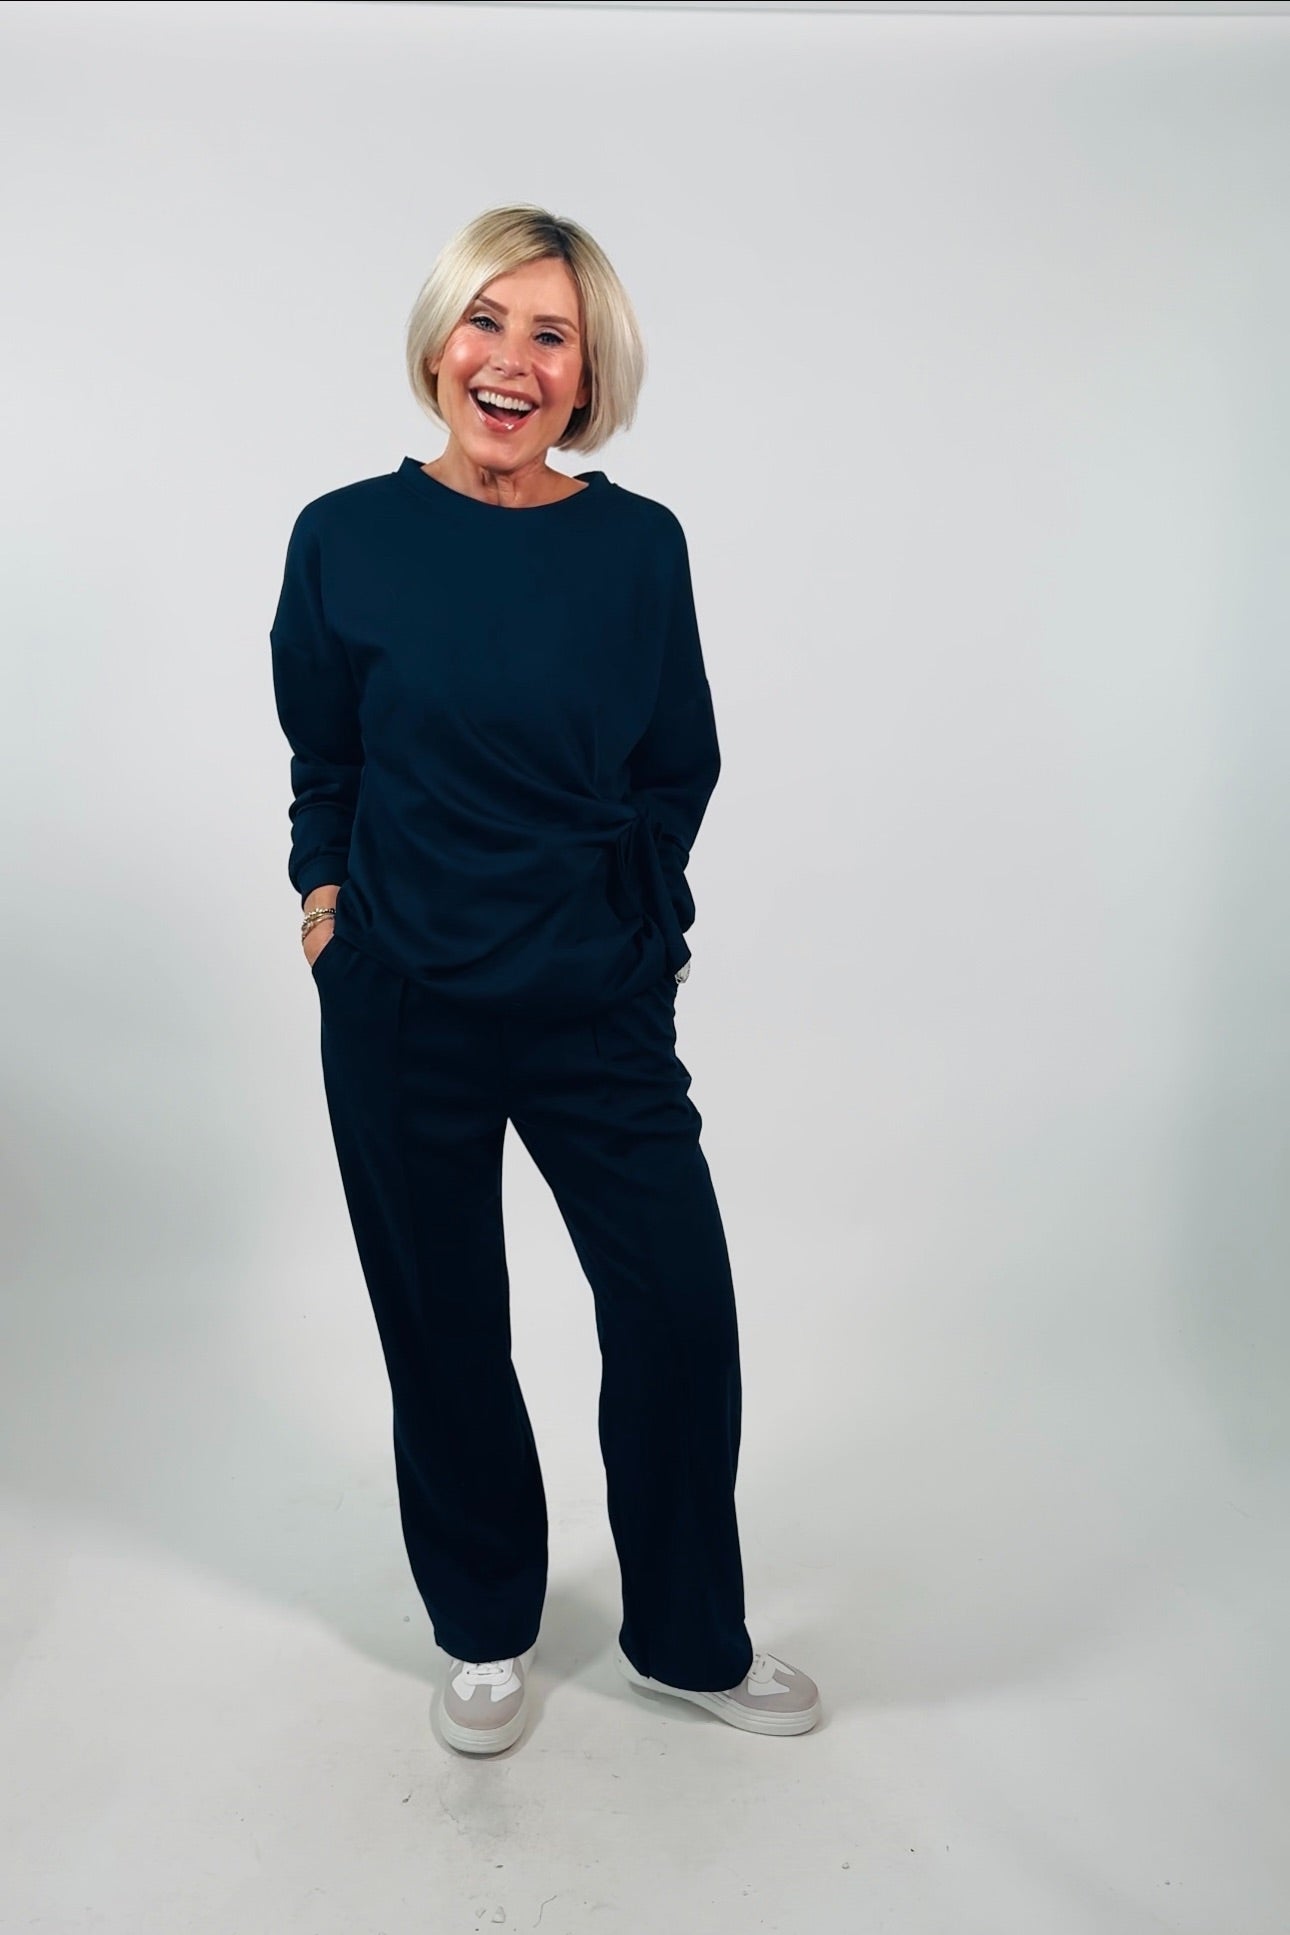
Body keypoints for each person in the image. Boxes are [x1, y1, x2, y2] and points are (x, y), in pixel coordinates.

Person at [269, 203, 821, 1756]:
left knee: (676, 1313)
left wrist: (639, 941)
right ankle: (484, 1628)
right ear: (439, 342)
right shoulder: (343, 536)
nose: (509, 360)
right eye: (485, 321)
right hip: (399, 1001)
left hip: (592, 1005)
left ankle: (689, 1641)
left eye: (550, 335)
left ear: (587, 375)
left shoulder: (637, 548)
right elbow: (327, 752)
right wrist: (326, 908)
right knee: (442, 1325)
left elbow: (674, 764)